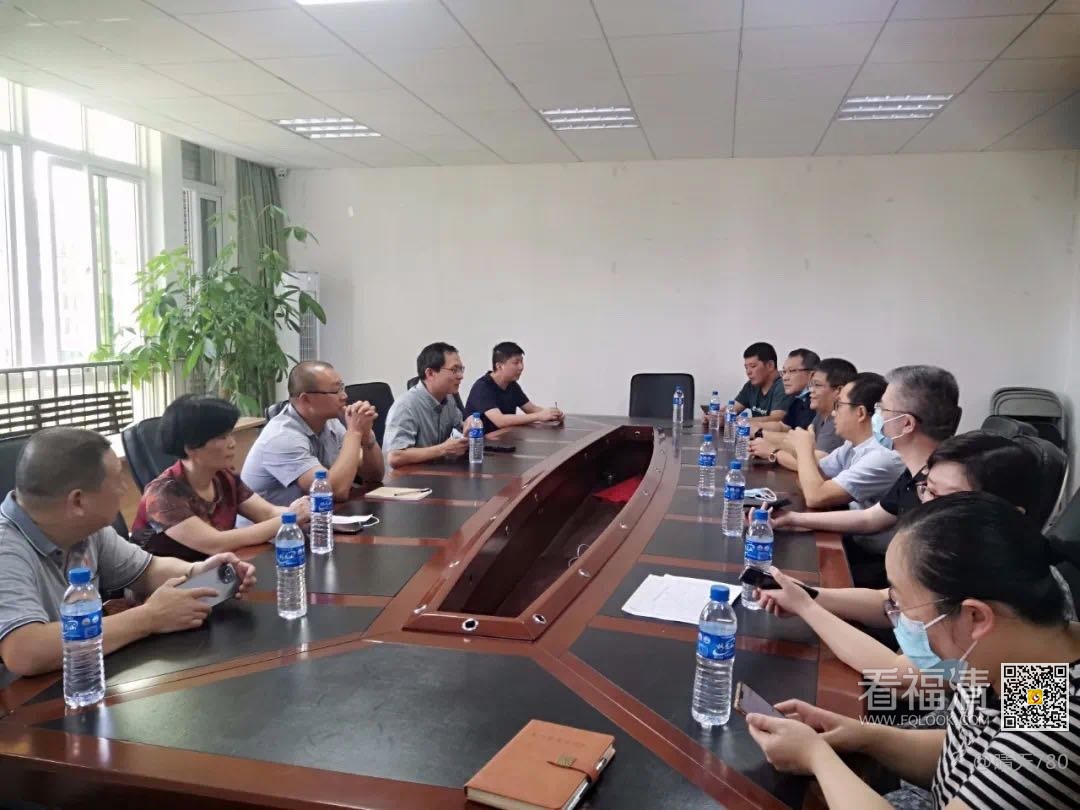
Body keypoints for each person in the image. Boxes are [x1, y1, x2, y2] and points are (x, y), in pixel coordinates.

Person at [745, 492, 1080, 810]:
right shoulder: (1024, 656)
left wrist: (817, 757)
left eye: (902, 605)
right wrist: (864, 736)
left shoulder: (1053, 726)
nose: (897, 617)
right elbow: (966, 758)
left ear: (975, 617)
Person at [757, 432, 1074, 688]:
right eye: (927, 491)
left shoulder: (1026, 618)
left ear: (1002, 513)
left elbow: (898, 677)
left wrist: (807, 607)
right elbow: (889, 602)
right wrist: (809, 595)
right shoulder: (961, 560)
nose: (926, 509)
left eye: (945, 499)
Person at [0, 428, 257, 677]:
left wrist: (199, 571)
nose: (124, 489)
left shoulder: (86, 529)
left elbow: (147, 570)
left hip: (81, 675)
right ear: (78, 501)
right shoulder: (6, 548)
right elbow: (23, 651)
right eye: (116, 480)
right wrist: (149, 618)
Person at [771, 365, 960, 537]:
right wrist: (792, 518)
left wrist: (803, 449)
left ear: (906, 424)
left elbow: (817, 496)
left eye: (882, 409)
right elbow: (870, 518)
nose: (876, 416)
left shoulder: (941, 487)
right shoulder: (913, 473)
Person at [133, 395, 311, 563]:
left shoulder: (223, 477)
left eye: (231, 434)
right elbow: (216, 543)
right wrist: (289, 517)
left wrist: (307, 513)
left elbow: (267, 513)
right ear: (191, 447)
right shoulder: (162, 495)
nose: (232, 443)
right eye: (222, 437)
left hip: (215, 572)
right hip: (168, 581)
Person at [241, 361, 384, 505]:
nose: (344, 396)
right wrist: (354, 432)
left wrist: (367, 436)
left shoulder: (331, 422)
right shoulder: (281, 437)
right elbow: (334, 492)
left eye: (342, 388)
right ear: (306, 399)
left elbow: (374, 476)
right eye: (336, 391)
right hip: (281, 519)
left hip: (318, 514)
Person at [776, 372, 905, 510]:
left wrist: (803, 449)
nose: (833, 413)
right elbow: (811, 480)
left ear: (860, 413)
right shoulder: (851, 445)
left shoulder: (882, 455)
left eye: (839, 405)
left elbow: (815, 497)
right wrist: (800, 451)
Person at [383, 342, 470, 469]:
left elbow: (459, 430)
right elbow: (395, 456)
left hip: (434, 472)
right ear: (430, 373)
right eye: (454, 370)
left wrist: (469, 427)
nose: (461, 376)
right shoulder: (406, 406)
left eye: (461, 369)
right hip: (405, 478)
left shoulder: (449, 399)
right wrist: (443, 449)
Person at [751, 357, 855, 461]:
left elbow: (814, 464)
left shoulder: (837, 420)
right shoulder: (820, 414)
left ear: (839, 390)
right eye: (811, 385)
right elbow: (802, 448)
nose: (811, 390)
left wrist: (773, 453)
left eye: (817, 385)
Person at [464, 342, 564, 433]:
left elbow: (531, 409)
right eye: (516, 363)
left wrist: (553, 414)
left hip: (503, 439)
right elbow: (500, 421)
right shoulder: (482, 387)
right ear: (499, 366)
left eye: (521, 362)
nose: (521, 367)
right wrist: (539, 416)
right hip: (479, 443)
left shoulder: (512, 385)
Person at [729, 342, 794, 426]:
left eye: (753, 366)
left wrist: (742, 420)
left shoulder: (784, 385)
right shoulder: (751, 385)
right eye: (746, 367)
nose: (748, 372)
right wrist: (721, 415)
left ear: (770, 365)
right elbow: (733, 409)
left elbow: (776, 419)